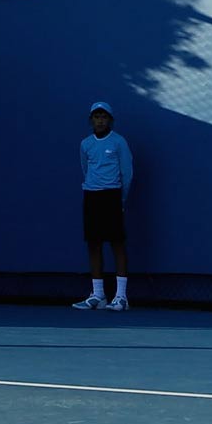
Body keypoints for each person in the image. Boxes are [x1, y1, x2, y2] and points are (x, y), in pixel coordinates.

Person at [72, 101, 134, 312]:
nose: (100, 120)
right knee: (93, 243)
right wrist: (93, 187)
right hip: (91, 197)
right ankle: (98, 296)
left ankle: (121, 297)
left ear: (110, 120)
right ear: (91, 120)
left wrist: (121, 199)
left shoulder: (119, 142)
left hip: (112, 196)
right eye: (96, 116)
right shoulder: (85, 144)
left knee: (117, 243)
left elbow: (127, 173)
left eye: (104, 116)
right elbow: (85, 168)